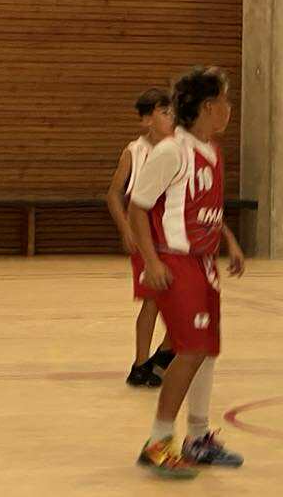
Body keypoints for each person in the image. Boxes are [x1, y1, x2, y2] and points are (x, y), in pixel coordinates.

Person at [128, 66, 246, 478]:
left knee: (206, 350)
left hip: (204, 262)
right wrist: (152, 261)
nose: (229, 108)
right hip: (176, 262)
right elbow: (137, 207)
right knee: (190, 350)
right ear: (209, 106)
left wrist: (229, 241)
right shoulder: (171, 151)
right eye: (226, 100)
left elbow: (204, 207)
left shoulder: (211, 151)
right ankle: (158, 442)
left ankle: (197, 437)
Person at [107, 87, 178, 387]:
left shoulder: (179, 149)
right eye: (164, 112)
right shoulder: (134, 152)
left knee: (182, 299)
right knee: (152, 300)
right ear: (147, 120)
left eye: (172, 112)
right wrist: (126, 228)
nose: (170, 117)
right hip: (145, 232)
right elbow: (113, 194)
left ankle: (163, 354)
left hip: (173, 233)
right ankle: (140, 363)